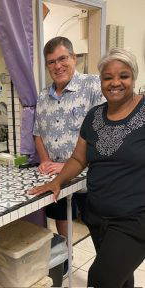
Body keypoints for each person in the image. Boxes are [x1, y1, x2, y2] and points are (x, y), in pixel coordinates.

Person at [29, 48, 145, 288]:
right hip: (97, 216)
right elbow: (78, 160)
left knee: (100, 278)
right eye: (107, 77)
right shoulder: (94, 117)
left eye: (123, 76)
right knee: (121, 279)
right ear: (100, 80)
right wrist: (56, 182)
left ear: (133, 77)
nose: (115, 83)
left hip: (134, 219)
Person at [33, 37, 103, 240]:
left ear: (74, 57)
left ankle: (105, 267)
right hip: (55, 176)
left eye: (62, 58)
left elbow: (101, 134)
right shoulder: (43, 95)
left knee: (97, 226)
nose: (58, 66)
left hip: (88, 176)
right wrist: (45, 160)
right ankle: (66, 253)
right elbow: (38, 132)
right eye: (51, 62)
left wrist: (68, 166)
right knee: (60, 215)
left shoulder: (93, 86)